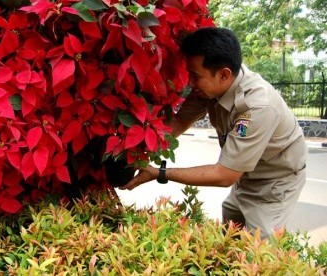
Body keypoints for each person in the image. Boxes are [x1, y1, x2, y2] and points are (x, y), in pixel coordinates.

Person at [119, 27, 307, 239]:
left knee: (258, 250)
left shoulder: (257, 107)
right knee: (231, 235)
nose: (190, 83)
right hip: (245, 174)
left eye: (195, 76)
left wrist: (159, 173)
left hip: (275, 182)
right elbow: (180, 121)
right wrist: (136, 149)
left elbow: (225, 175)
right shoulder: (211, 86)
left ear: (224, 75)